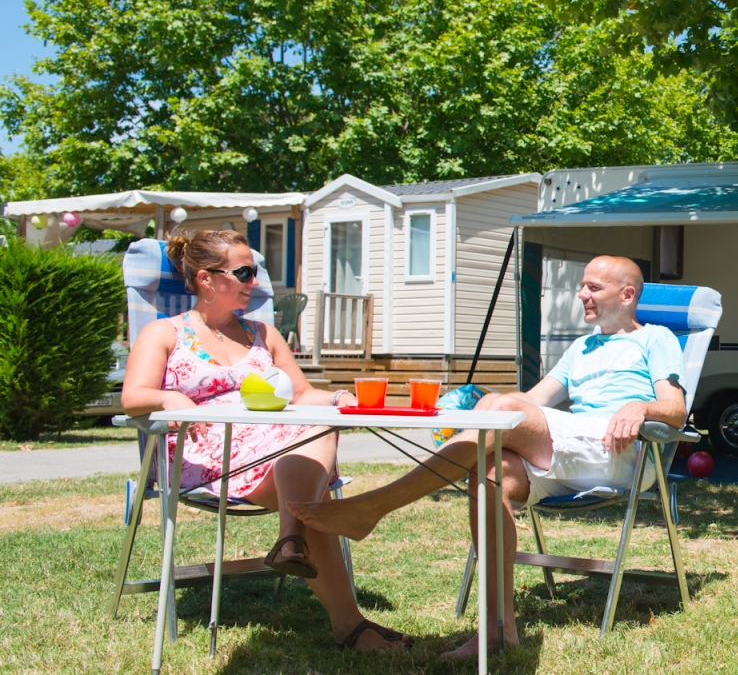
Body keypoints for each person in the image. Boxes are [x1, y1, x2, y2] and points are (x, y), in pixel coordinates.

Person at [289, 255, 685, 659]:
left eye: (593, 288)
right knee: (488, 473)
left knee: (498, 409)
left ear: (627, 294)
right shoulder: (582, 347)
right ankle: (498, 628)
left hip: (617, 452)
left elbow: (676, 409)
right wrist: (473, 408)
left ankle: (374, 506)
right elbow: (530, 403)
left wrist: (641, 407)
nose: (581, 294)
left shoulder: (656, 339)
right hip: (568, 453)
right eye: (582, 286)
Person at [121, 230, 412, 651]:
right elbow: (133, 397)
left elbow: (299, 395)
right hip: (204, 456)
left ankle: (293, 543)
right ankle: (344, 618)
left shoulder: (262, 334)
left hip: (273, 449)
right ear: (206, 279)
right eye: (243, 272)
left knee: (318, 427)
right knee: (315, 500)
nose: (253, 282)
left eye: (254, 271)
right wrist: (168, 395)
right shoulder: (164, 333)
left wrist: (337, 397)